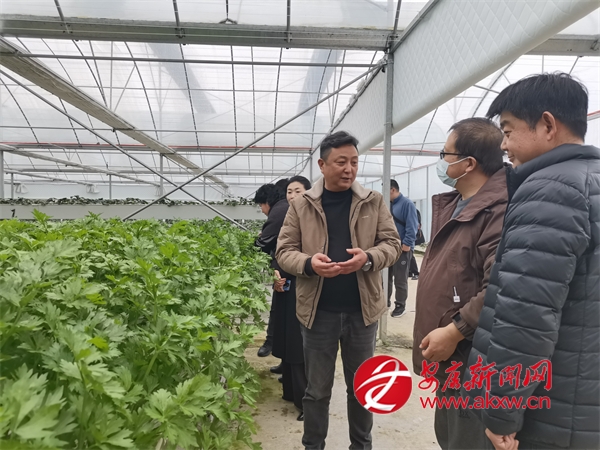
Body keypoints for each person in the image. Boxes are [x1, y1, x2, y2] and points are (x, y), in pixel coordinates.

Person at [464, 73, 599, 450]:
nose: (503, 144)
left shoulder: (550, 191)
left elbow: (525, 317)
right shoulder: (591, 182)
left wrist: (501, 412)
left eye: (508, 130)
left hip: (549, 412)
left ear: (548, 125)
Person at [276, 131, 401, 450]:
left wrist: (368, 258)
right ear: (322, 165)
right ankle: (313, 446)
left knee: (362, 389)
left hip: (362, 313)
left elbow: (392, 245)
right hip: (318, 314)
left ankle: (361, 445)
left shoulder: (373, 201)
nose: (349, 169)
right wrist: (309, 264)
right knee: (317, 391)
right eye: (341, 162)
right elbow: (284, 251)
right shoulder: (301, 205)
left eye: (354, 162)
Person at [412, 118, 507, 450]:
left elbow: (499, 287)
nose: (441, 161)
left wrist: (454, 331)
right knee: (449, 436)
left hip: (471, 358)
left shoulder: (498, 212)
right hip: (449, 359)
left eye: (445, 154)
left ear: (468, 164)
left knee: (466, 439)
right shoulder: (456, 204)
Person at [270, 175, 312, 422]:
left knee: (298, 343)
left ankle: (306, 401)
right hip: (286, 284)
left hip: (303, 285)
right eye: (289, 191)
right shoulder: (288, 217)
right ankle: (290, 391)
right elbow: (281, 250)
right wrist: (276, 271)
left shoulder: (313, 218)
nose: (292, 195)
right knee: (287, 337)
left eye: (297, 190)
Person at [254, 182, 288, 359]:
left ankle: (272, 343)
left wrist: (253, 244)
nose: (261, 210)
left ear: (267, 201)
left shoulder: (279, 211)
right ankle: (277, 348)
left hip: (288, 269)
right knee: (281, 308)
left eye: (261, 205)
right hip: (285, 266)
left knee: (280, 308)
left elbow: (263, 244)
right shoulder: (283, 207)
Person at [388, 179, 419, 317]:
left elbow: (412, 225)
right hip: (389, 247)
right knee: (386, 277)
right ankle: (385, 302)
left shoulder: (407, 204)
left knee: (400, 279)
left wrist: (407, 244)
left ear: (393, 189)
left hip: (402, 248)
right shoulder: (389, 204)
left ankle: (400, 306)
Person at [409, 208, 425, 280]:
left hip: (412, 235)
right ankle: (409, 272)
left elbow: (416, 224)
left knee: (410, 253)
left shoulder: (413, 210)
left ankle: (415, 273)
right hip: (410, 234)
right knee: (408, 254)